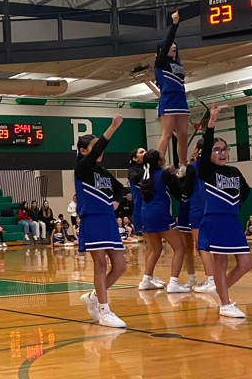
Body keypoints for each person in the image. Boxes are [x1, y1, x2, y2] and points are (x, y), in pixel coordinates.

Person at [197, 105, 252, 318]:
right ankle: (225, 304)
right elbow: (207, 142)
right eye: (217, 150)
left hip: (232, 221)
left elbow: (245, 190)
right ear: (208, 154)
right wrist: (211, 122)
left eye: (225, 149)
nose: (222, 153)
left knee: (245, 264)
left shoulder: (234, 171)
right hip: (215, 221)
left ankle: (220, 292)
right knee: (221, 262)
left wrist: (235, 206)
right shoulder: (207, 171)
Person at [74, 115, 127, 328]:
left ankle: (94, 297)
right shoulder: (82, 168)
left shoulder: (103, 172)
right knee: (101, 264)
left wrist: (116, 201)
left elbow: (121, 188)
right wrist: (113, 128)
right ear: (83, 151)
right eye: (94, 147)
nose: (99, 150)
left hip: (108, 220)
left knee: (121, 266)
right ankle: (104, 310)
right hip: (93, 219)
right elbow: (97, 150)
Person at [137, 150, 190, 293]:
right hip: (160, 214)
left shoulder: (146, 175)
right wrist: (180, 177)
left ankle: (146, 280)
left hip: (146, 214)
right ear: (159, 161)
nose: (164, 155)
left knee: (155, 249)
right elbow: (180, 194)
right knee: (180, 248)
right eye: (161, 155)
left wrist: (170, 174)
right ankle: (174, 283)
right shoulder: (165, 175)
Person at [182, 138, 217, 293]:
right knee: (210, 245)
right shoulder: (214, 167)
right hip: (214, 208)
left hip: (197, 208)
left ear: (197, 150)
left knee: (202, 245)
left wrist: (177, 178)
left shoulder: (194, 167)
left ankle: (211, 280)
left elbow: (186, 190)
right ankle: (214, 278)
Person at [155, 10, 188, 166]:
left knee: (183, 135)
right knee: (167, 133)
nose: (173, 46)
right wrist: (175, 24)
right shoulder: (161, 62)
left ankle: (182, 164)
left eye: (175, 45)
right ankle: (157, 163)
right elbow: (167, 41)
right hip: (168, 99)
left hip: (181, 99)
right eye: (171, 44)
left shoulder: (177, 64)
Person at [128, 147, 146, 239]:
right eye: (142, 152)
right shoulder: (132, 169)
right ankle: (139, 230)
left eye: (145, 151)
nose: (145, 153)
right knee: (139, 208)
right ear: (135, 158)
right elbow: (134, 178)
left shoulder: (149, 167)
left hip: (150, 198)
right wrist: (146, 171)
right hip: (139, 197)